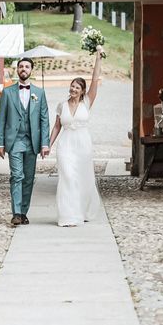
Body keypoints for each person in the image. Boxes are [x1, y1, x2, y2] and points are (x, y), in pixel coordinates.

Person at [49, 46, 104, 227]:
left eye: (77, 87)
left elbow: (95, 79)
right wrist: (48, 145)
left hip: (83, 145)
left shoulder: (87, 102)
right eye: (72, 86)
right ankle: (68, 215)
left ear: (82, 91)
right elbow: (57, 127)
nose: (73, 89)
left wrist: (98, 56)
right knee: (67, 178)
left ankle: (83, 210)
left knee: (83, 178)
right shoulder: (61, 105)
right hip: (65, 145)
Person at [0, 57, 50, 226]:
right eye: (21, 66)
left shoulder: (39, 93)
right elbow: (2, 119)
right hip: (15, 141)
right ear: (17, 70)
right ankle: (17, 213)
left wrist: (44, 143)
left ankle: (24, 212)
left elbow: (44, 119)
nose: (23, 69)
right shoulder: (8, 92)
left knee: (28, 178)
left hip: (32, 142)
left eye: (27, 66)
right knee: (17, 176)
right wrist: (1, 143)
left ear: (31, 70)